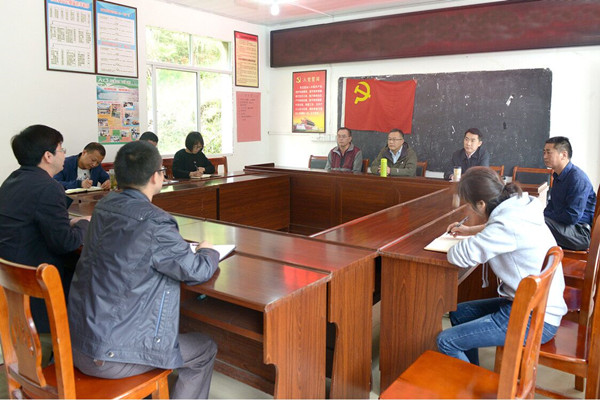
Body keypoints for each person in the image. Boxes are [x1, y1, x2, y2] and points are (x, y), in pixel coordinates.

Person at [68, 141, 219, 399]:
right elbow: (196, 271)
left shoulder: (104, 206)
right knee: (205, 348)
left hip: (77, 341)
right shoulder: (155, 221)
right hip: (111, 354)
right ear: (155, 176)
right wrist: (208, 251)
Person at [437, 167, 567, 365]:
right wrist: (470, 230)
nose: (472, 210)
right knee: (459, 313)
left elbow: (459, 256)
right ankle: (471, 371)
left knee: (445, 341)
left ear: (481, 204)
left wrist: (463, 241)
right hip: (537, 305)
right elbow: (500, 227)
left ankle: (471, 384)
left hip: (534, 318)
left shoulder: (506, 226)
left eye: (471, 205)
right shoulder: (521, 206)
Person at [0, 124, 90, 332]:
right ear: (48, 156)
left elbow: (31, 221)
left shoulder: (12, 180)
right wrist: (85, 223)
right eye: (61, 149)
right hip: (35, 283)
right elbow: (66, 243)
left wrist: (68, 223)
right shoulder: (48, 187)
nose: (64, 154)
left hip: (12, 275)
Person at [543, 136, 596, 251]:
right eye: (544, 152)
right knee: (535, 220)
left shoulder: (577, 178)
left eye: (549, 152)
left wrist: (545, 216)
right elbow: (552, 206)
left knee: (539, 222)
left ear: (563, 155)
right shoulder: (558, 176)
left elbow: (572, 216)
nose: (545, 156)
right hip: (564, 227)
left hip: (580, 233)